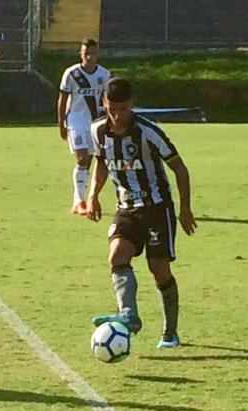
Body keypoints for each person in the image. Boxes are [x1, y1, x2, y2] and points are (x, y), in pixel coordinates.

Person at [86, 78, 197, 349]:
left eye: (123, 109)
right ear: (104, 104)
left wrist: (184, 209)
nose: (118, 115)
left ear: (132, 105)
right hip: (125, 208)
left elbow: (179, 169)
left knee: (158, 268)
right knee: (117, 255)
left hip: (157, 208)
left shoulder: (148, 132)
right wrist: (92, 195)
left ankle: (169, 332)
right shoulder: (98, 130)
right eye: (112, 109)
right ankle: (129, 315)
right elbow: (101, 162)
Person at [57, 38, 110, 215]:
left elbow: (107, 99)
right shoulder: (72, 74)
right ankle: (78, 201)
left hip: (95, 124)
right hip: (75, 121)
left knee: (93, 160)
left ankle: (85, 198)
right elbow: (62, 99)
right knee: (81, 159)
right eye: (86, 53)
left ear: (97, 54)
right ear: (80, 54)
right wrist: (61, 124)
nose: (89, 57)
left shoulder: (104, 74)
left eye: (93, 53)